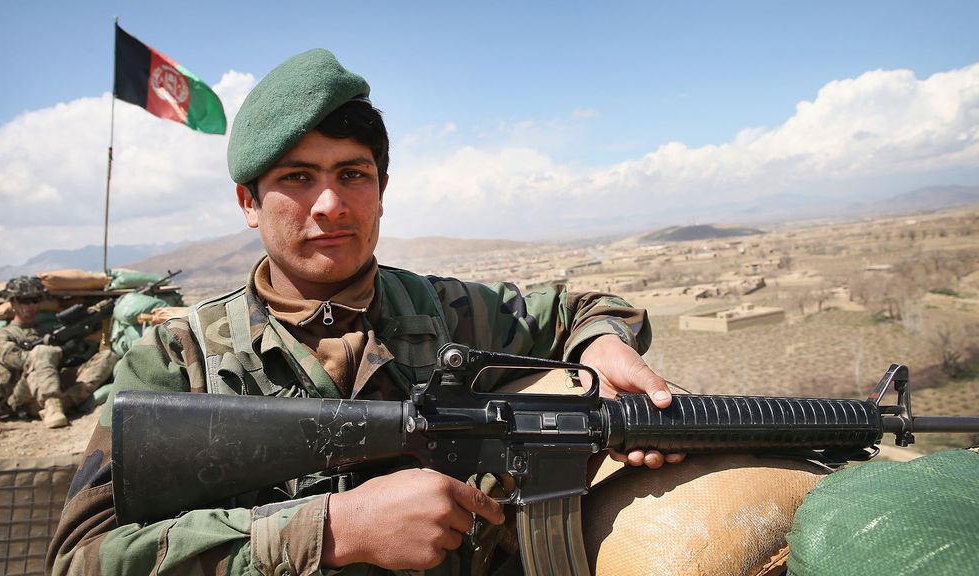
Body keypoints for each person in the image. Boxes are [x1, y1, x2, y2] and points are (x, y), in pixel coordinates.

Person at [47, 49, 682, 575]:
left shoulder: (453, 313)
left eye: (353, 173)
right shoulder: (176, 362)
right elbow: (81, 558)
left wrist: (598, 344)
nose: (330, 204)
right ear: (248, 200)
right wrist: (327, 533)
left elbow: (592, 309)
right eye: (297, 178)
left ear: (381, 189)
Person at [0, 276, 117, 428]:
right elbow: (18, 360)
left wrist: (71, 350)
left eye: (35, 300)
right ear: (13, 302)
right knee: (42, 352)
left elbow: (55, 365)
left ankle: (62, 403)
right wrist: (56, 351)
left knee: (107, 357)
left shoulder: (44, 330)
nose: (30, 306)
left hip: (49, 386)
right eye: (24, 301)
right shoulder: (3, 335)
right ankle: (53, 407)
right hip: (19, 396)